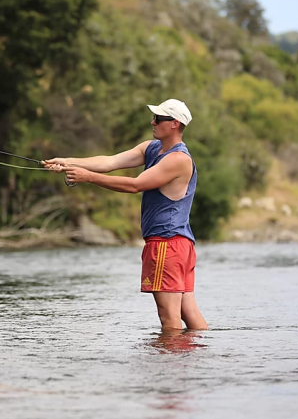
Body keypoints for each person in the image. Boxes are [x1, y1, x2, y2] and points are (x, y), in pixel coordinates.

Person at [42, 99, 208, 331]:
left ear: (174, 124)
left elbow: (135, 185)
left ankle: (169, 366)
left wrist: (87, 177)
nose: (153, 121)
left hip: (166, 245)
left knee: (168, 317)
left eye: (159, 118)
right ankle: (200, 363)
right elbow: (109, 162)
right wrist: (67, 161)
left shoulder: (178, 160)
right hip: (178, 244)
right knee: (187, 311)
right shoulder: (151, 148)